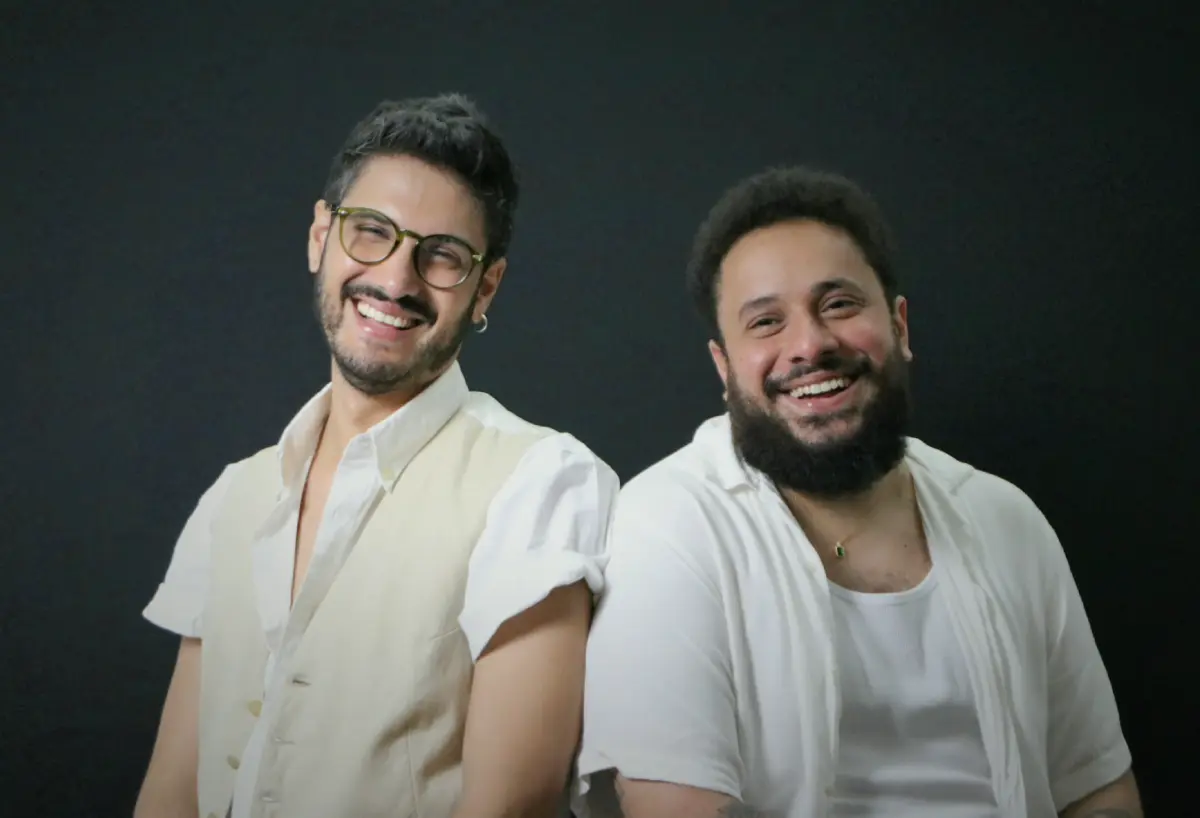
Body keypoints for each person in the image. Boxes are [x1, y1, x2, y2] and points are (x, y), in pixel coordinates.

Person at [575, 167, 1139, 818]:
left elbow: (1096, 791)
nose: (810, 345)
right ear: (724, 369)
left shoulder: (1006, 519)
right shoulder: (666, 528)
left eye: (839, 304)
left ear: (900, 326)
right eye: (766, 322)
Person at [134, 93, 617, 818]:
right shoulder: (233, 495)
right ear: (319, 238)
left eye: (442, 255)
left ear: (486, 287)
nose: (395, 281)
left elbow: (508, 807)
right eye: (371, 233)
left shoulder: (542, 483)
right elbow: (170, 795)